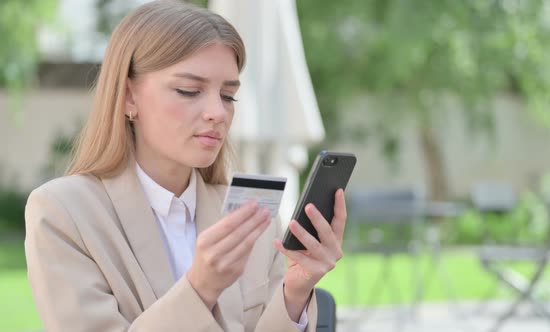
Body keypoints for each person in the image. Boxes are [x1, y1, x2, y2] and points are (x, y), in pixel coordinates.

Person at [24, 1, 347, 331]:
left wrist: (295, 292)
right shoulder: (63, 214)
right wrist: (200, 288)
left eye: (228, 96)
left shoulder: (254, 218)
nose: (217, 113)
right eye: (189, 90)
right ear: (128, 96)